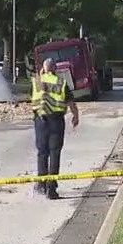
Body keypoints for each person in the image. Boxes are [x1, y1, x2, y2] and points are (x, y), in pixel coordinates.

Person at [31, 58, 80, 199]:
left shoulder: (37, 81)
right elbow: (71, 102)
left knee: (42, 152)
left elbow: (34, 98)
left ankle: (41, 184)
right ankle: (51, 189)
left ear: (44, 68)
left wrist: (41, 74)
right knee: (54, 153)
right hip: (56, 121)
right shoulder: (61, 82)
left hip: (41, 121)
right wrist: (75, 116)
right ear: (55, 69)